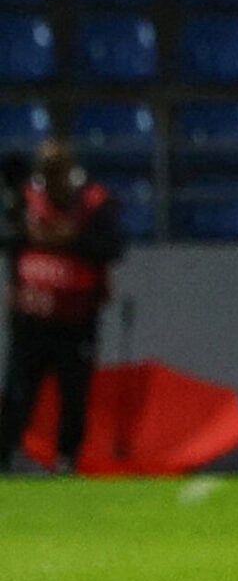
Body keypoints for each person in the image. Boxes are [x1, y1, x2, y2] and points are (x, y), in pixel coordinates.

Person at [0, 140, 123, 474]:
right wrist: (29, 234)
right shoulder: (23, 203)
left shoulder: (93, 204)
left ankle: (68, 458)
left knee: (74, 393)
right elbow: (8, 238)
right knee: (18, 390)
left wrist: (72, 238)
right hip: (30, 317)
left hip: (76, 318)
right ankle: (5, 454)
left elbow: (112, 248)